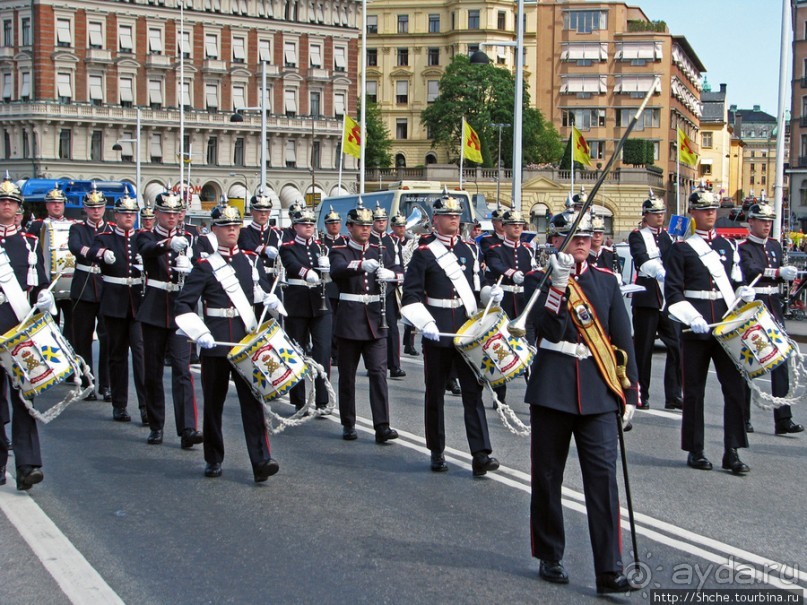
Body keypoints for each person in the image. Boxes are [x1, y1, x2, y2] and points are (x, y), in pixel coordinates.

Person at [524, 211, 639, 594]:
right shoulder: (535, 281)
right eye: (575, 237)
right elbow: (547, 329)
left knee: (604, 481)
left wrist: (631, 392)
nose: (583, 242)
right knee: (547, 476)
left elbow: (623, 339)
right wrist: (557, 287)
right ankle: (550, 554)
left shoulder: (605, 281)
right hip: (553, 387)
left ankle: (610, 569)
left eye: (588, 236)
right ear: (556, 240)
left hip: (598, 388)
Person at [175, 205, 282, 482]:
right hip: (217, 342)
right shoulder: (205, 266)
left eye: (236, 226)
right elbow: (184, 305)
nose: (232, 230)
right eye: (226, 226)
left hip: (244, 342)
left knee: (253, 402)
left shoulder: (249, 261)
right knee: (214, 403)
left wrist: (268, 301)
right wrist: (200, 332)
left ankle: (261, 460)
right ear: (215, 230)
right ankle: (213, 457)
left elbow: (253, 295)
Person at [401, 194, 503, 476]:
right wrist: (426, 324)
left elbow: (475, 286)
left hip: (466, 331)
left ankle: (481, 454)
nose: (454, 219)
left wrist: (490, 293)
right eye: (448, 215)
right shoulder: (423, 253)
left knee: (473, 392)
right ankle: (437, 450)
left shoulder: (470, 250)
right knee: (435, 394)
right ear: (435, 220)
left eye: (457, 215)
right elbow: (409, 297)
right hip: (438, 331)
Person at [665, 188, 753, 474]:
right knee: (694, 392)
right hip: (697, 327)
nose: (711, 214)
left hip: (725, 326)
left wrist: (743, 293)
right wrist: (691, 317)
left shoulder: (728, 247)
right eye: (705, 210)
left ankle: (733, 450)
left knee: (735, 389)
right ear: (693, 213)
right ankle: (695, 449)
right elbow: (674, 293)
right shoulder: (681, 249)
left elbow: (733, 282)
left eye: (714, 209)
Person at [135, 190, 203, 448]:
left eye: (176, 213)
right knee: (152, 371)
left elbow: (201, 265)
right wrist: (167, 244)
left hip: (180, 309)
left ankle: (187, 428)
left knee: (182, 370)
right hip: (154, 307)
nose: (172, 217)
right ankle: (156, 424)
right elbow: (147, 250)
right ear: (158, 214)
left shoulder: (190, 238)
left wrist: (193, 266)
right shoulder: (147, 235)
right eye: (167, 213)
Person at [329, 203, 399, 443]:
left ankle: (382, 425)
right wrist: (360, 265)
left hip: (375, 319)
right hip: (350, 319)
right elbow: (337, 269)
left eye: (368, 225)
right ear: (349, 227)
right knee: (347, 375)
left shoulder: (381, 249)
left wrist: (392, 276)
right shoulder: (340, 250)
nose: (366, 229)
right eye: (361, 225)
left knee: (379, 373)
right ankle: (348, 422)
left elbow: (399, 272)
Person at [0, 178, 53, 490]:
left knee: (25, 397)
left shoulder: (30, 242)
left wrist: (45, 296)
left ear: (19, 209)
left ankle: (28, 465)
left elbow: (40, 281)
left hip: (20, 330)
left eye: (11, 202)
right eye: (2, 201)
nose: (6, 206)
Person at [738, 201, 804, 435]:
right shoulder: (744, 247)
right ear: (751, 222)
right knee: (749, 363)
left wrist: (787, 274)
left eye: (769, 221)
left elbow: (778, 271)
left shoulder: (775, 246)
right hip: (755, 307)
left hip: (773, 306)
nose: (767, 225)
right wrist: (776, 272)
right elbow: (751, 269)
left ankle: (783, 418)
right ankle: (743, 417)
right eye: (763, 221)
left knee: (782, 362)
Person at [89, 194, 147, 423]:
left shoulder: (142, 238)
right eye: (125, 214)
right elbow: (91, 251)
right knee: (117, 356)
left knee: (141, 355)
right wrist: (102, 254)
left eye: (132, 214)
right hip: (114, 302)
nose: (129, 218)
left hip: (137, 302)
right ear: (116, 215)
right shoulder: (105, 238)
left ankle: (145, 407)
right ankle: (120, 404)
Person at [628, 194, 683, 410]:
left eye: (661, 213)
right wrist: (658, 270)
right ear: (646, 215)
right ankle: (641, 393)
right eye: (655, 213)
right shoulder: (638, 236)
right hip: (648, 298)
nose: (659, 217)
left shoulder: (669, 237)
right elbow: (641, 259)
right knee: (644, 350)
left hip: (667, 299)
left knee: (676, 346)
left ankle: (673, 394)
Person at [278, 206, 332, 413]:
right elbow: (290, 264)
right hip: (298, 303)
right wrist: (306, 271)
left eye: (311, 224)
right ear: (295, 226)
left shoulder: (321, 247)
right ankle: (299, 400)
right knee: (297, 352)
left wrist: (328, 268)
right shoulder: (288, 246)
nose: (308, 227)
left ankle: (322, 400)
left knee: (322, 352)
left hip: (320, 304)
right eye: (304, 224)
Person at [484, 209, 537, 405]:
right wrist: (511, 272)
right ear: (504, 227)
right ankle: (500, 394)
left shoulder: (528, 249)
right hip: (505, 300)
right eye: (512, 224)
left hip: (523, 303)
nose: (517, 227)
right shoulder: (496, 249)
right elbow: (495, 264)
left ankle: (533, 393)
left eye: (520, 224)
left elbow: (533, 269)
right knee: (501, 348)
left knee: (529, 348)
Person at [68, 186, 113, 401]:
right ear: (85, 209)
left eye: (99, 207)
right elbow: (75, 247)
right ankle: (87, 382)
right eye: (91, 207)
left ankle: (106, 384)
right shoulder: (77, 229)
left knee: (108, 339)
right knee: (83, 338)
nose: (96, 211)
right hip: (84, 288)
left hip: (105, 288)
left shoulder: (111, 229)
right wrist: (97, 253)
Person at [28, 186, 75, 343]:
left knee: (72, 327)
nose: (56, 205)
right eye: (53, 202)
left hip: (67, 281)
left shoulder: (72, 226)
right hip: (46, 283)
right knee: (49, 326)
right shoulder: (37, 226)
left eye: (60, 203)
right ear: (46, 205)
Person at [370, 205, 405, 379]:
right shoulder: (367, 238)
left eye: (384, 220)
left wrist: (393, 275)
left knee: (392, 328)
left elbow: (400, 267)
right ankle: (374, 364)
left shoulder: (393, 241)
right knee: (371, 328)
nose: (381, 223)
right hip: (370, 290)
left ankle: (394, 365)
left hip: (389, 290)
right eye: (378, 220)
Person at [320, 206, 344, 363]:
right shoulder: (321, 242)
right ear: (326, 225)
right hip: (328, 285)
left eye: (336, 222)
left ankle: (338, 352)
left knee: (341, 321)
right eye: (331, 223)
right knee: (330, 321)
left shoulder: (345, 241)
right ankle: (331, 352)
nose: (334, 225)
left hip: (342, 285)